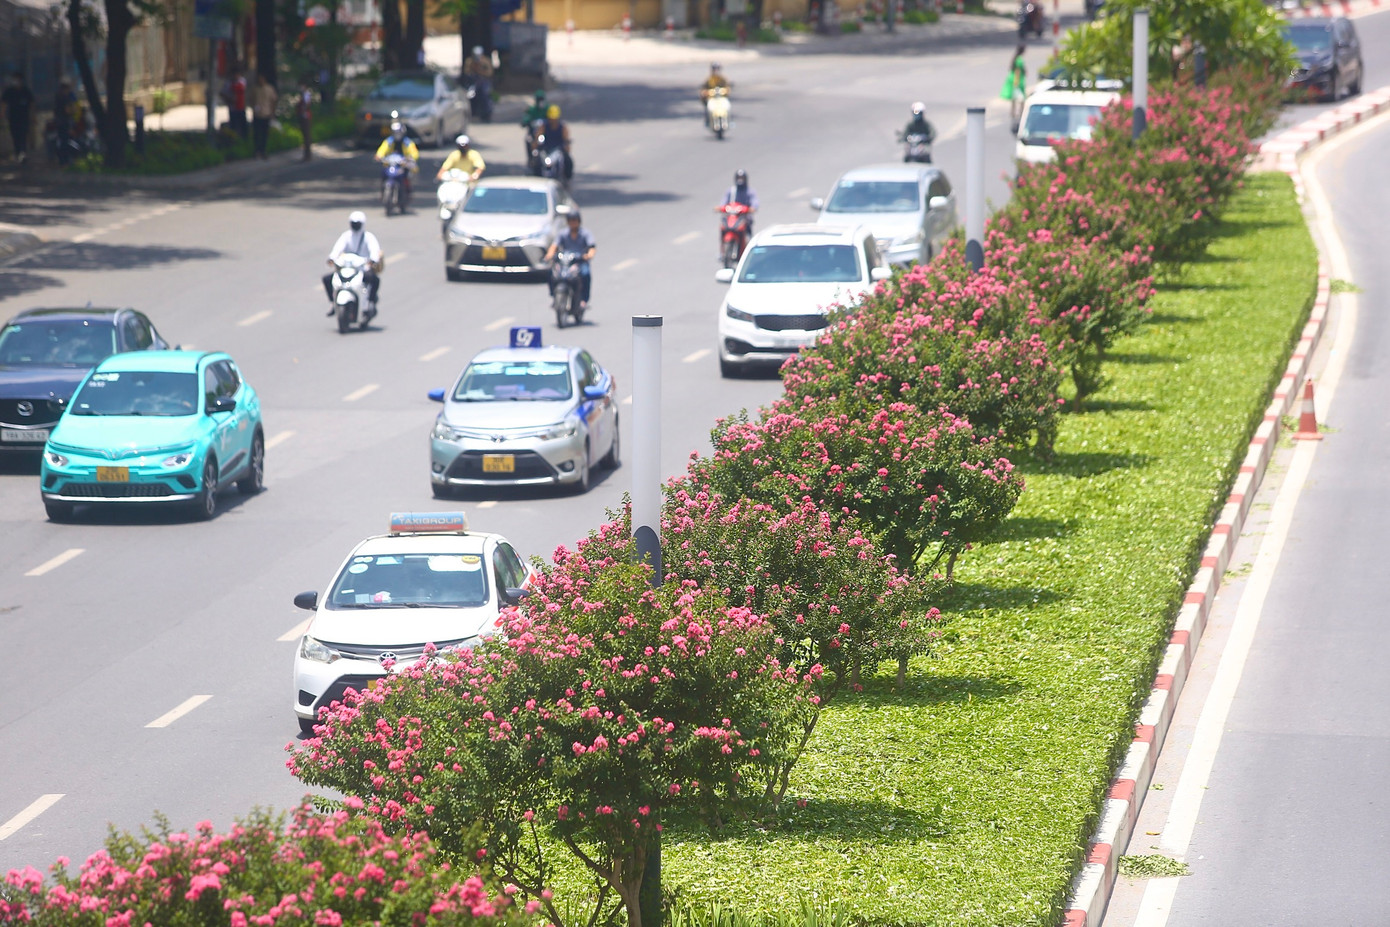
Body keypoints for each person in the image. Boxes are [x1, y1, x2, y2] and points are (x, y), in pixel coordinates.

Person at [323, 211, 383, 320]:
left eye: (357, 223)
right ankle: (333, 302)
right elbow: (337, 249)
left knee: (373, 279)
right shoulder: (346, 236)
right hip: (347, 268)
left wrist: (373, 260)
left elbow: (374, 250)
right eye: (353, 223)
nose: (355, 225)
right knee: (327, 279)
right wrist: (332, 258)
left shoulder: (368, 237)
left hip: (362, 268)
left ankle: (369, 304)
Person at [545, 211, 596, 309]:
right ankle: (554, 295)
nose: (573, 223)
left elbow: (592, 247)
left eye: (574, 221)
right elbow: (554, 246)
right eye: (571, 221)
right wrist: (549, 254)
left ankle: (583, 300)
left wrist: (589, 255)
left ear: (579, 221)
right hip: (566, 262)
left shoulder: (585, 234)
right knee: (552, 273)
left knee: (585, 274)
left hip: (579, 262)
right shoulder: (563, 233)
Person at [374, 121, 420, 207]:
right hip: (391, 165)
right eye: (395, 132)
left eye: (398, 132)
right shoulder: (389, 141)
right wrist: (379, 156)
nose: (397, 134)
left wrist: (410, 158)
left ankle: (408, 193)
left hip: (403, 165)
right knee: (383, 175)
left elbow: (414, 153)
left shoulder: (407, 142)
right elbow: (381, 150)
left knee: (407, 176)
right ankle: (382, 192)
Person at [3, 72, 34, 163]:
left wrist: (33, 116)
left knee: (23, 136)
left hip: (24, 118)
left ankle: (23, 153)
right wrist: (2, 114)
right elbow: (4, 103)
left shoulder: (25, 91)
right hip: (13, 118)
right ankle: (18, 153)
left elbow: (32, 104)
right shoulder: (9, 91)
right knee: (15, 136)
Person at [719, 169, 759, 238]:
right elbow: (724, 201)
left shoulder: (750, 191)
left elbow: (755, 202)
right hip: (733, 216)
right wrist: (720, 207)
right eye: (739, 178)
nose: (740, 180)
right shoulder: (731, 191)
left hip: (744, 217)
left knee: (749, 235)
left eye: (742, 178)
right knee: (723, 226)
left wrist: (752, 208)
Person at [538, 104, 573, 179]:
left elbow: (566, 139)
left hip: (558, 150)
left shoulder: (562, 127)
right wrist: (536, 143)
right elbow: (538, 136)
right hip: (546, 150)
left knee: (568, 161)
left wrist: (566, 146)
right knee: (536, 161)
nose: (553, 121)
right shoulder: (543, 126)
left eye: (554, 119)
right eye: (551, 118)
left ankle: (567, 179)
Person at [463, 46, 494, 121]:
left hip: (483, 81)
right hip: (473, 82)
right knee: (470, 94)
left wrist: (480, 71)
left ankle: (487, 112)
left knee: (485, 94)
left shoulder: (485, 61)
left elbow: (489, 73)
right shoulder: (469, 61)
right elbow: (467, 71)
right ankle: (472, 112)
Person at [251, 73, 278, 159]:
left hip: (266, 113)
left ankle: (263, 150)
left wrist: (272, 112)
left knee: (265, 134)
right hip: (257, 114)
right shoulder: (255, 89)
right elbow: (251, 99)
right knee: (257, 133)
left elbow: (273, 100)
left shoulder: (269, 89)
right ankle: (257, 150)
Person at [1002, 45, 1026, 132]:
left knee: (1014, 99)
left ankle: (1013, 113)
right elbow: (1018, 71)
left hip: (1013, 81)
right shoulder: (1019, 60)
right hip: (1017, 81)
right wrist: (1017, 82)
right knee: (1021, 99)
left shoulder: (1015, 58)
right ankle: (1021, 113)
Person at [521, 89, 548, 162]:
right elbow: (526, 118)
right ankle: (530, 158)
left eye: (541, 99)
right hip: (533, 133)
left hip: (545, 133)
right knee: (528, 139)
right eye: (539, 99)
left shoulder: (547, 109)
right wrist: (525, 122)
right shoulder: (532, 110)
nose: (540, 101)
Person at [224, 66, 248, 139]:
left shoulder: (242, 81)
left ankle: (244, 138)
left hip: (241, 106)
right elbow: (222, 93)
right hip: (232, 107)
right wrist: (228, 99)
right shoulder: (228, 83)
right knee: (233, 124)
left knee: (243, 124)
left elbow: (241, 88)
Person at [295, 81, 313, 160]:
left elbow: (307, 104)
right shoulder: (302, 95)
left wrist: (303, 110)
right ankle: (306, 154)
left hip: (305, 116)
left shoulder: (307, 94)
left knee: (307, 136)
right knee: (305, 136)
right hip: (302, 116)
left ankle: (308, 155)